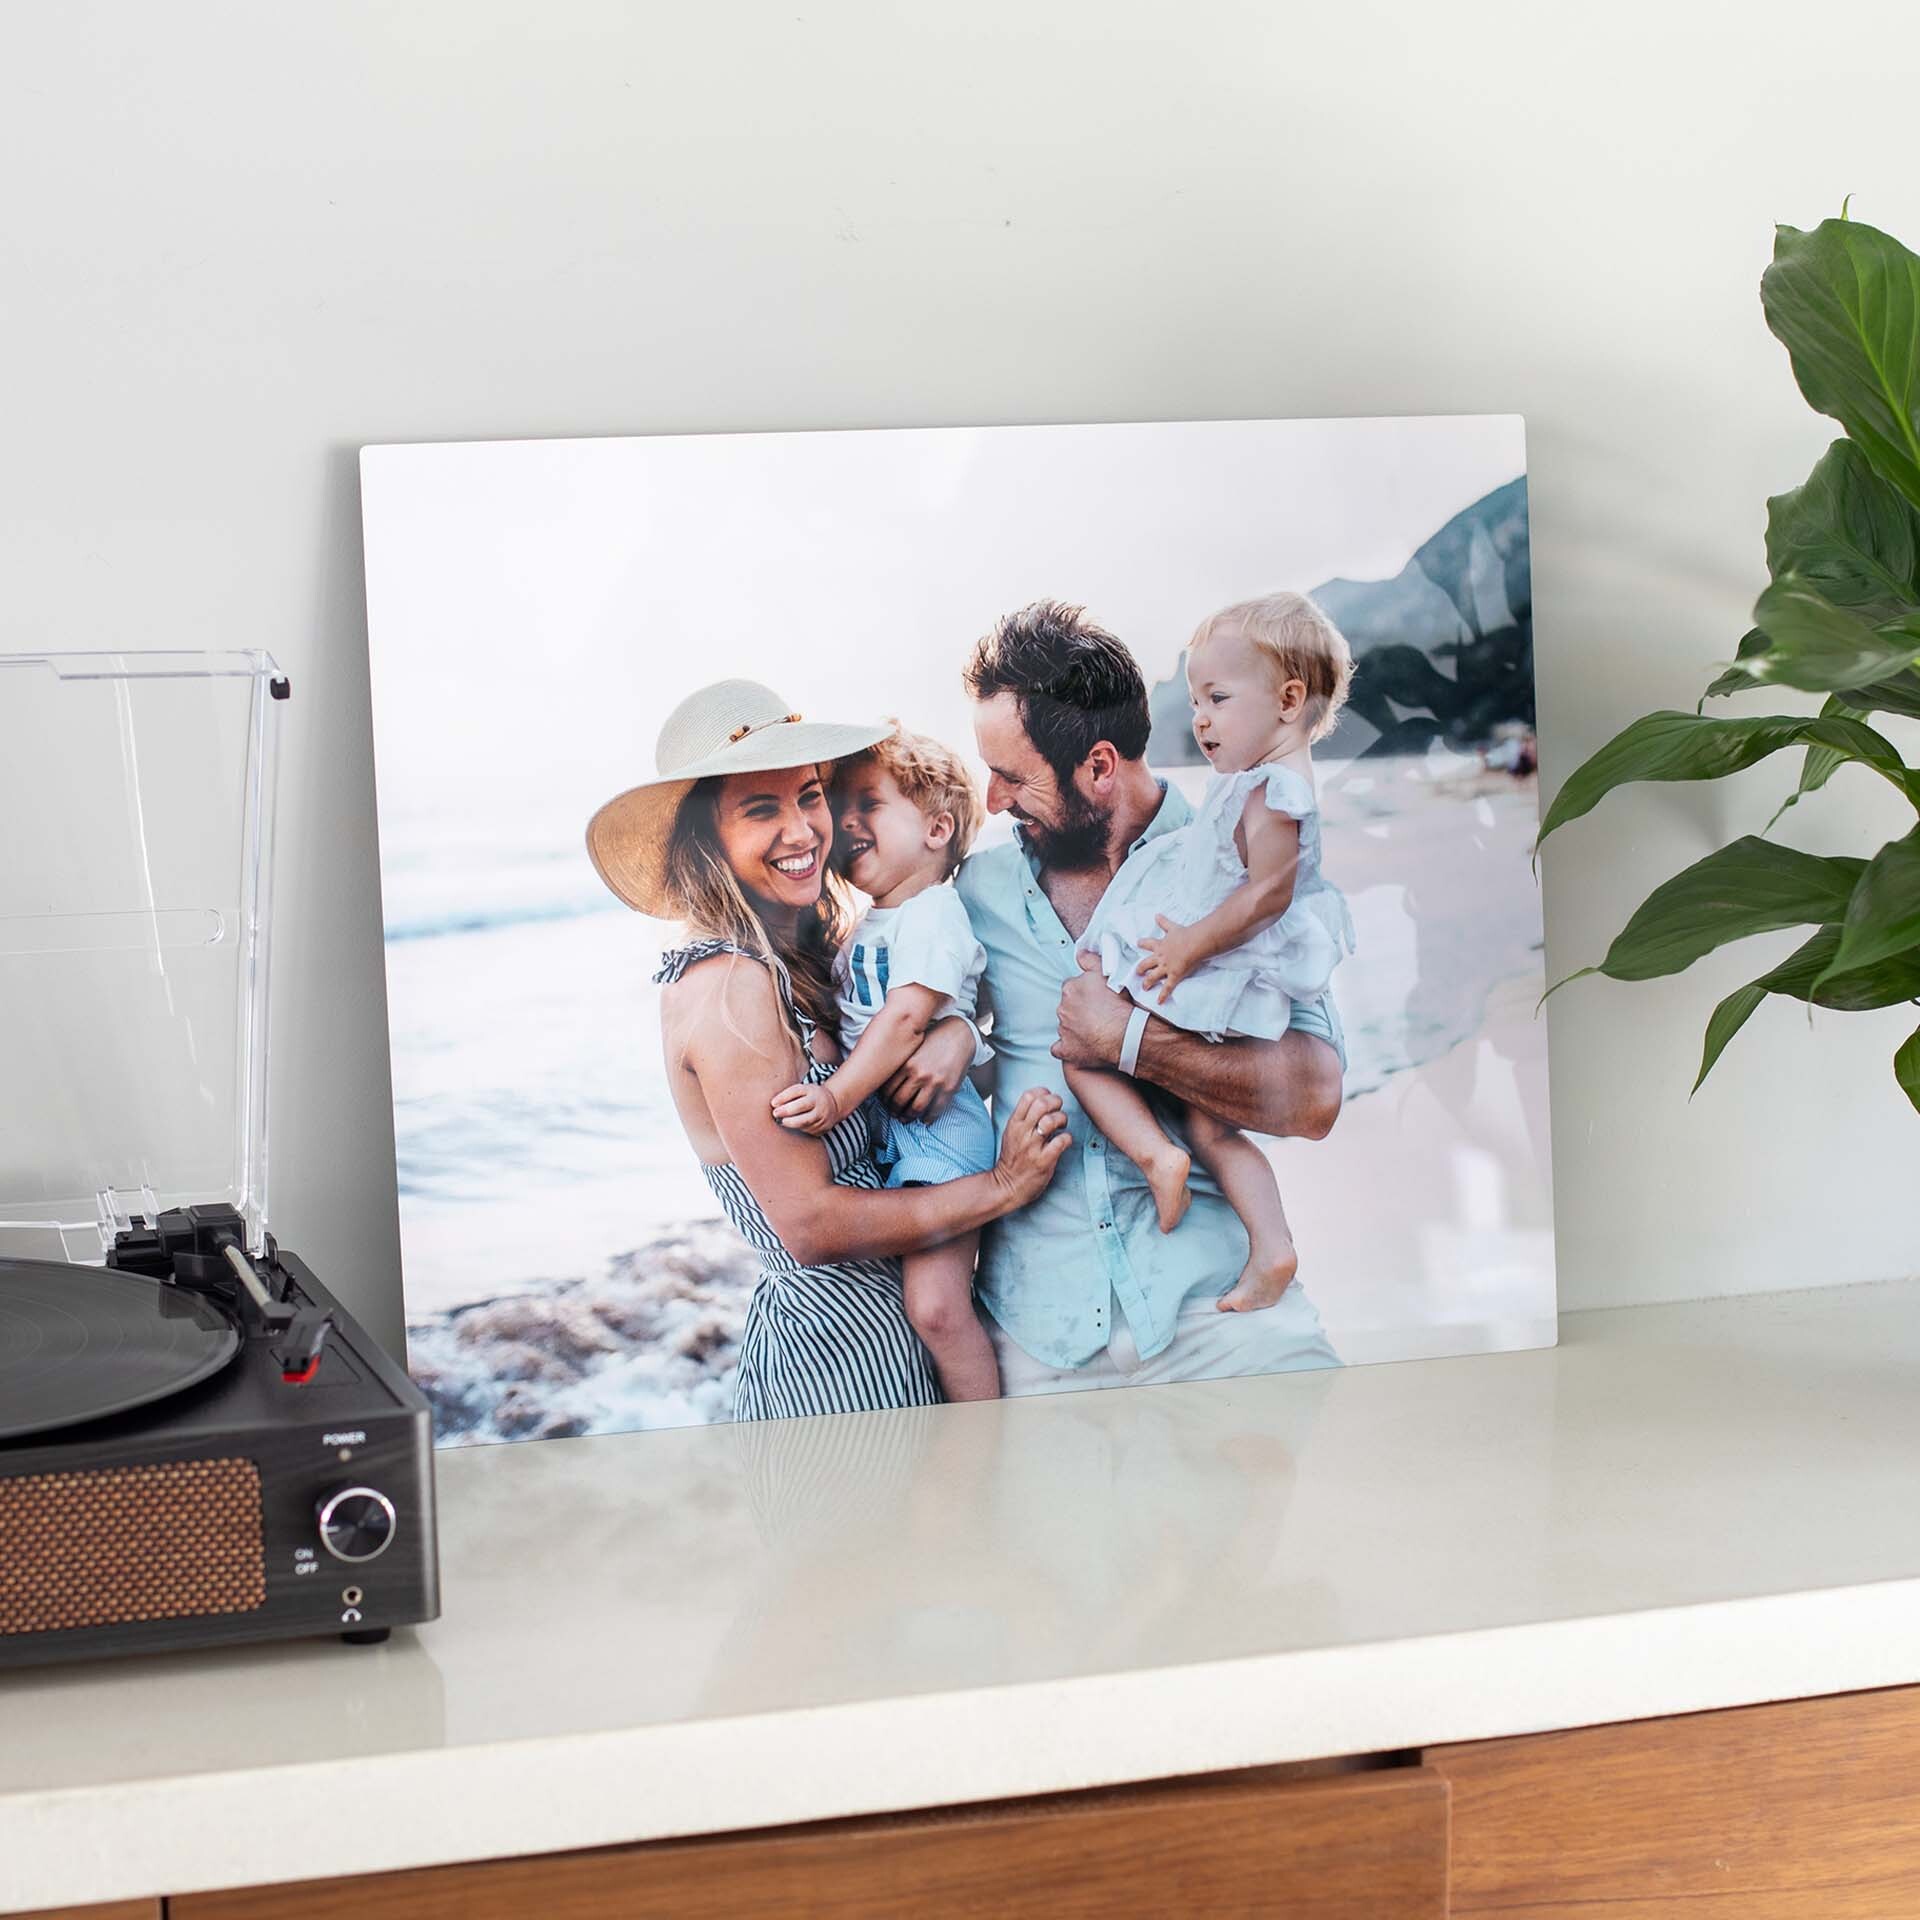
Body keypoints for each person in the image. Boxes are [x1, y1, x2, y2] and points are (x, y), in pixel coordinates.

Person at [585, 678, 1069, 1423]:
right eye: (759, 809)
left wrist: (957, 1033)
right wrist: (1002, 1188)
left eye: (810, 795)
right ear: (705, 838)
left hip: (905, 1343)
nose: (805, 829)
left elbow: (911, 1057)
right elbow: (810, 1228)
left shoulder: (811, 959)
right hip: (838, 1372)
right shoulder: (728, 987)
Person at [895, 602, 1346, 1398]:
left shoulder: (1240, 859)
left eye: (1013, 777)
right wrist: (956, 1034)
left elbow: (1314, 1097)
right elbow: (909, 993)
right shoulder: (976, 893)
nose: (991, 802)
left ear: (1100, 766)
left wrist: (1132, 1040)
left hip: (1222, 1313)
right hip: (1041, 1338)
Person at [1067, 593, 1356, 1311]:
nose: (1200, 718)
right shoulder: (1256, 782)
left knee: (1086, 1042)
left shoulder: (1279, 790)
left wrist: (1192, 946)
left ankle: (1178, 1173)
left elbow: (1269, 893)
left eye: (1218, 698)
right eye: (1196, 699)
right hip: (1223, 958)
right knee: (1207, 1121)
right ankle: (1271, 1244)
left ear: (1289, 702)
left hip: (1225, 963)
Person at [771, 728, 1001, 1403]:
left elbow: (904, 1020)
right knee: (918, 1305)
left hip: (939, 1136)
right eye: (839, 808)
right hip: (895, 1138)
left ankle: (988, 1441)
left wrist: (838, 1097)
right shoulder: (868, 926)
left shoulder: (933, 915)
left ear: (936, 829)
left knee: (935, 1309)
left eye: (868, 804)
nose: (844, 822)